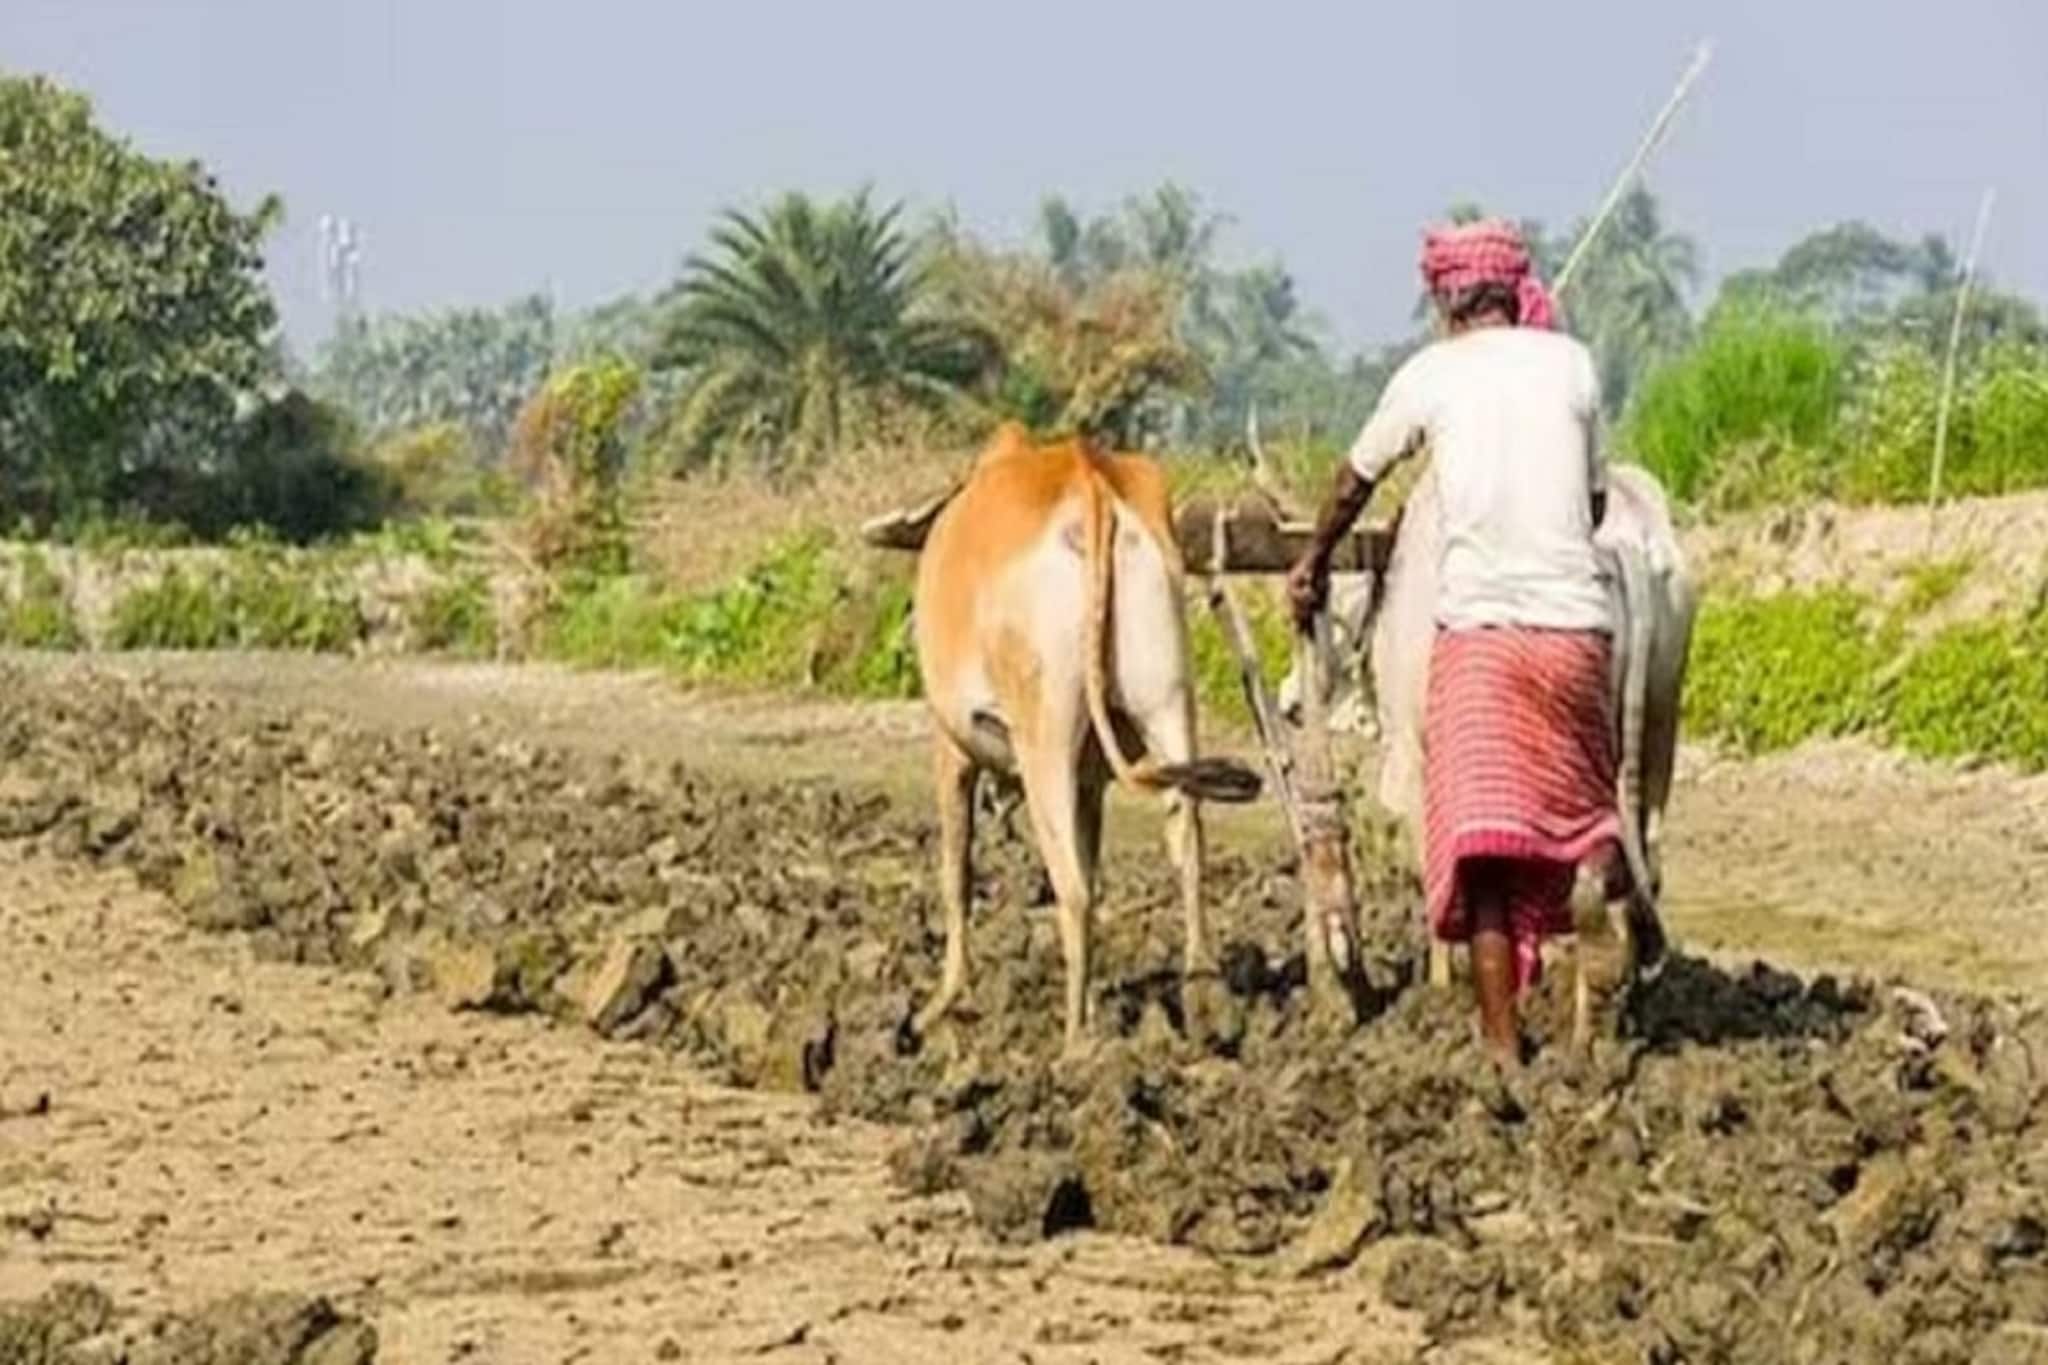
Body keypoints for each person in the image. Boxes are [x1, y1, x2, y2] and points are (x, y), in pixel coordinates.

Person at [1285, 218, 1626, 1067]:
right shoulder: (1574, 364)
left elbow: (1356, 478)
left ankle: (1504, 1051)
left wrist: (1313, 559)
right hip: (1576, 633)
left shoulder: (1432, 374)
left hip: (1480, 641)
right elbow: (1591, 507)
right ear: (1516, 292)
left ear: (1444, 300)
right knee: (1587, 813)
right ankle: (1593, 876)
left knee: (1478, 854)